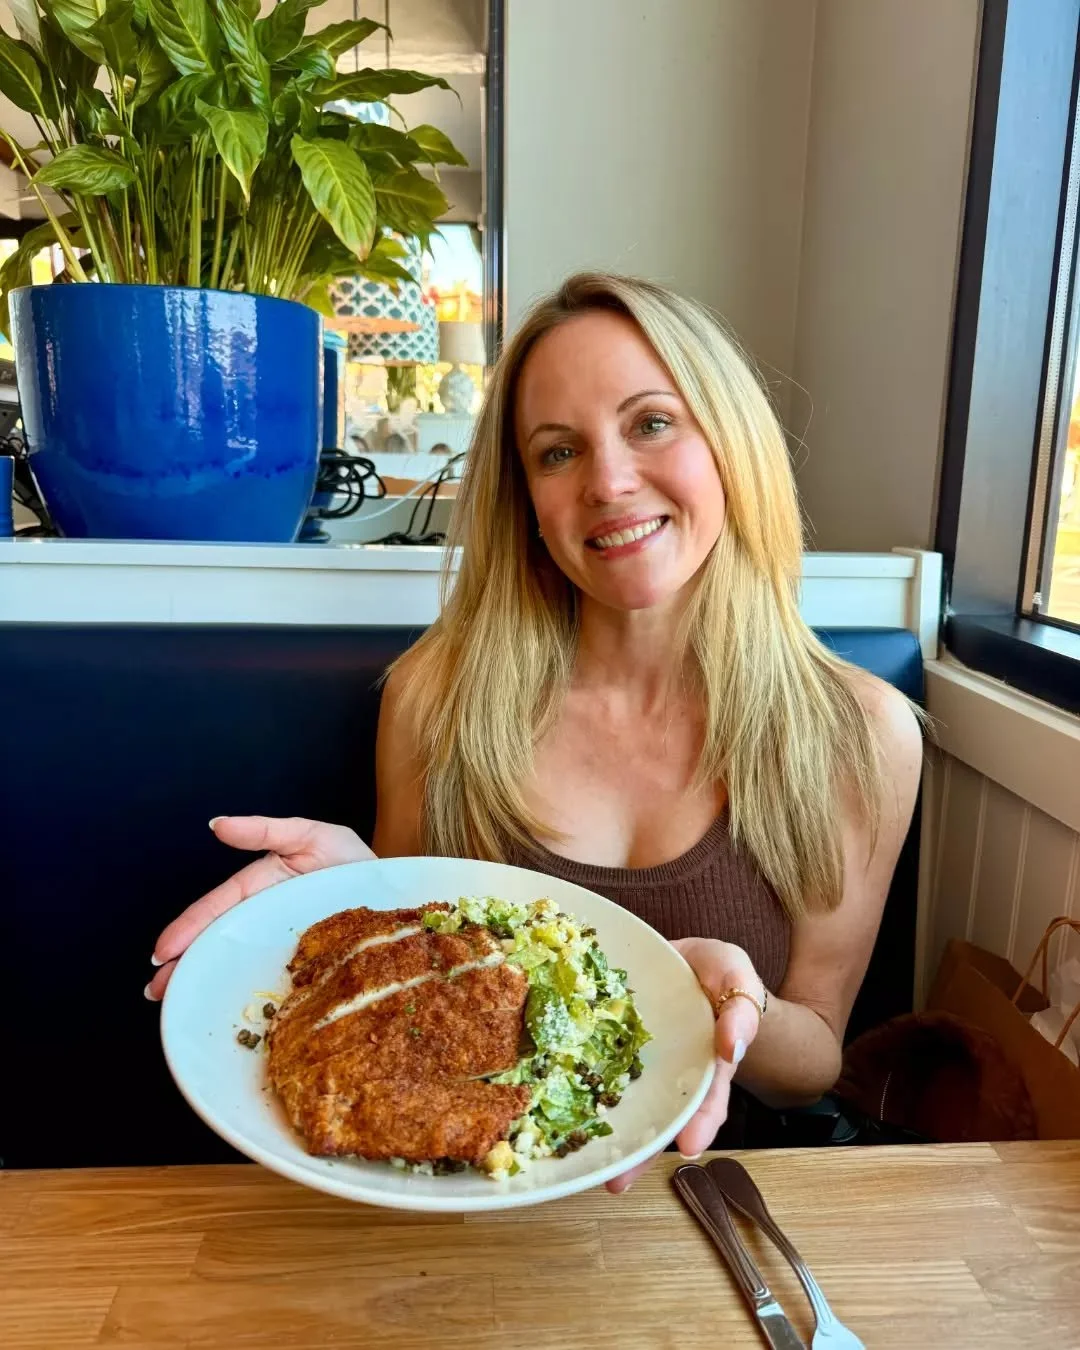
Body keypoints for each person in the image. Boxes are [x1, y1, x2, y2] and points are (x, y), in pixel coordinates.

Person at [148, 273, 922, 1190]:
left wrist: (729, 1002)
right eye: (558, 453)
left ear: (731, 442)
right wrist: (356, 901)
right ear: (527, 500)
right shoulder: (438, 697)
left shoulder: (860, 731)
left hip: (714, 1202)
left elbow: (817, 1059)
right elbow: (418, 964)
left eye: (651, 423)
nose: (609, 481)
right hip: (473, 1199)